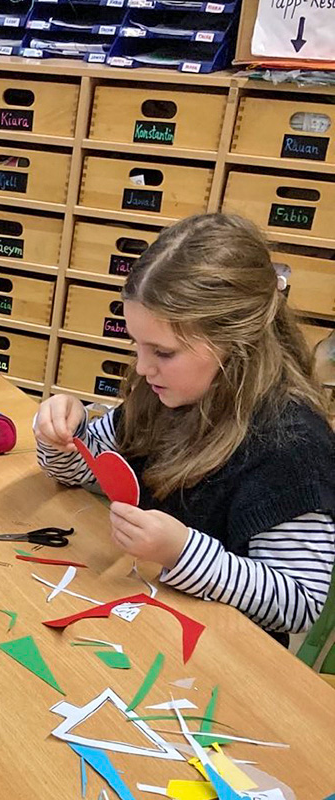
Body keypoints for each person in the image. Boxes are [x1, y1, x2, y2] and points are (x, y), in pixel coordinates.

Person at [34, 213, 335, 638]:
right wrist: (64, 436)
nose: (142, 367)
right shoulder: (168, 392)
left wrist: (181, 551)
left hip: (224, 658)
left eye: (163, 352)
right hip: (143, 617)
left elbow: (296, 603)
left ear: (236, 343)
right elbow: (89, 471)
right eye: (136, 345)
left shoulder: (293, 447)